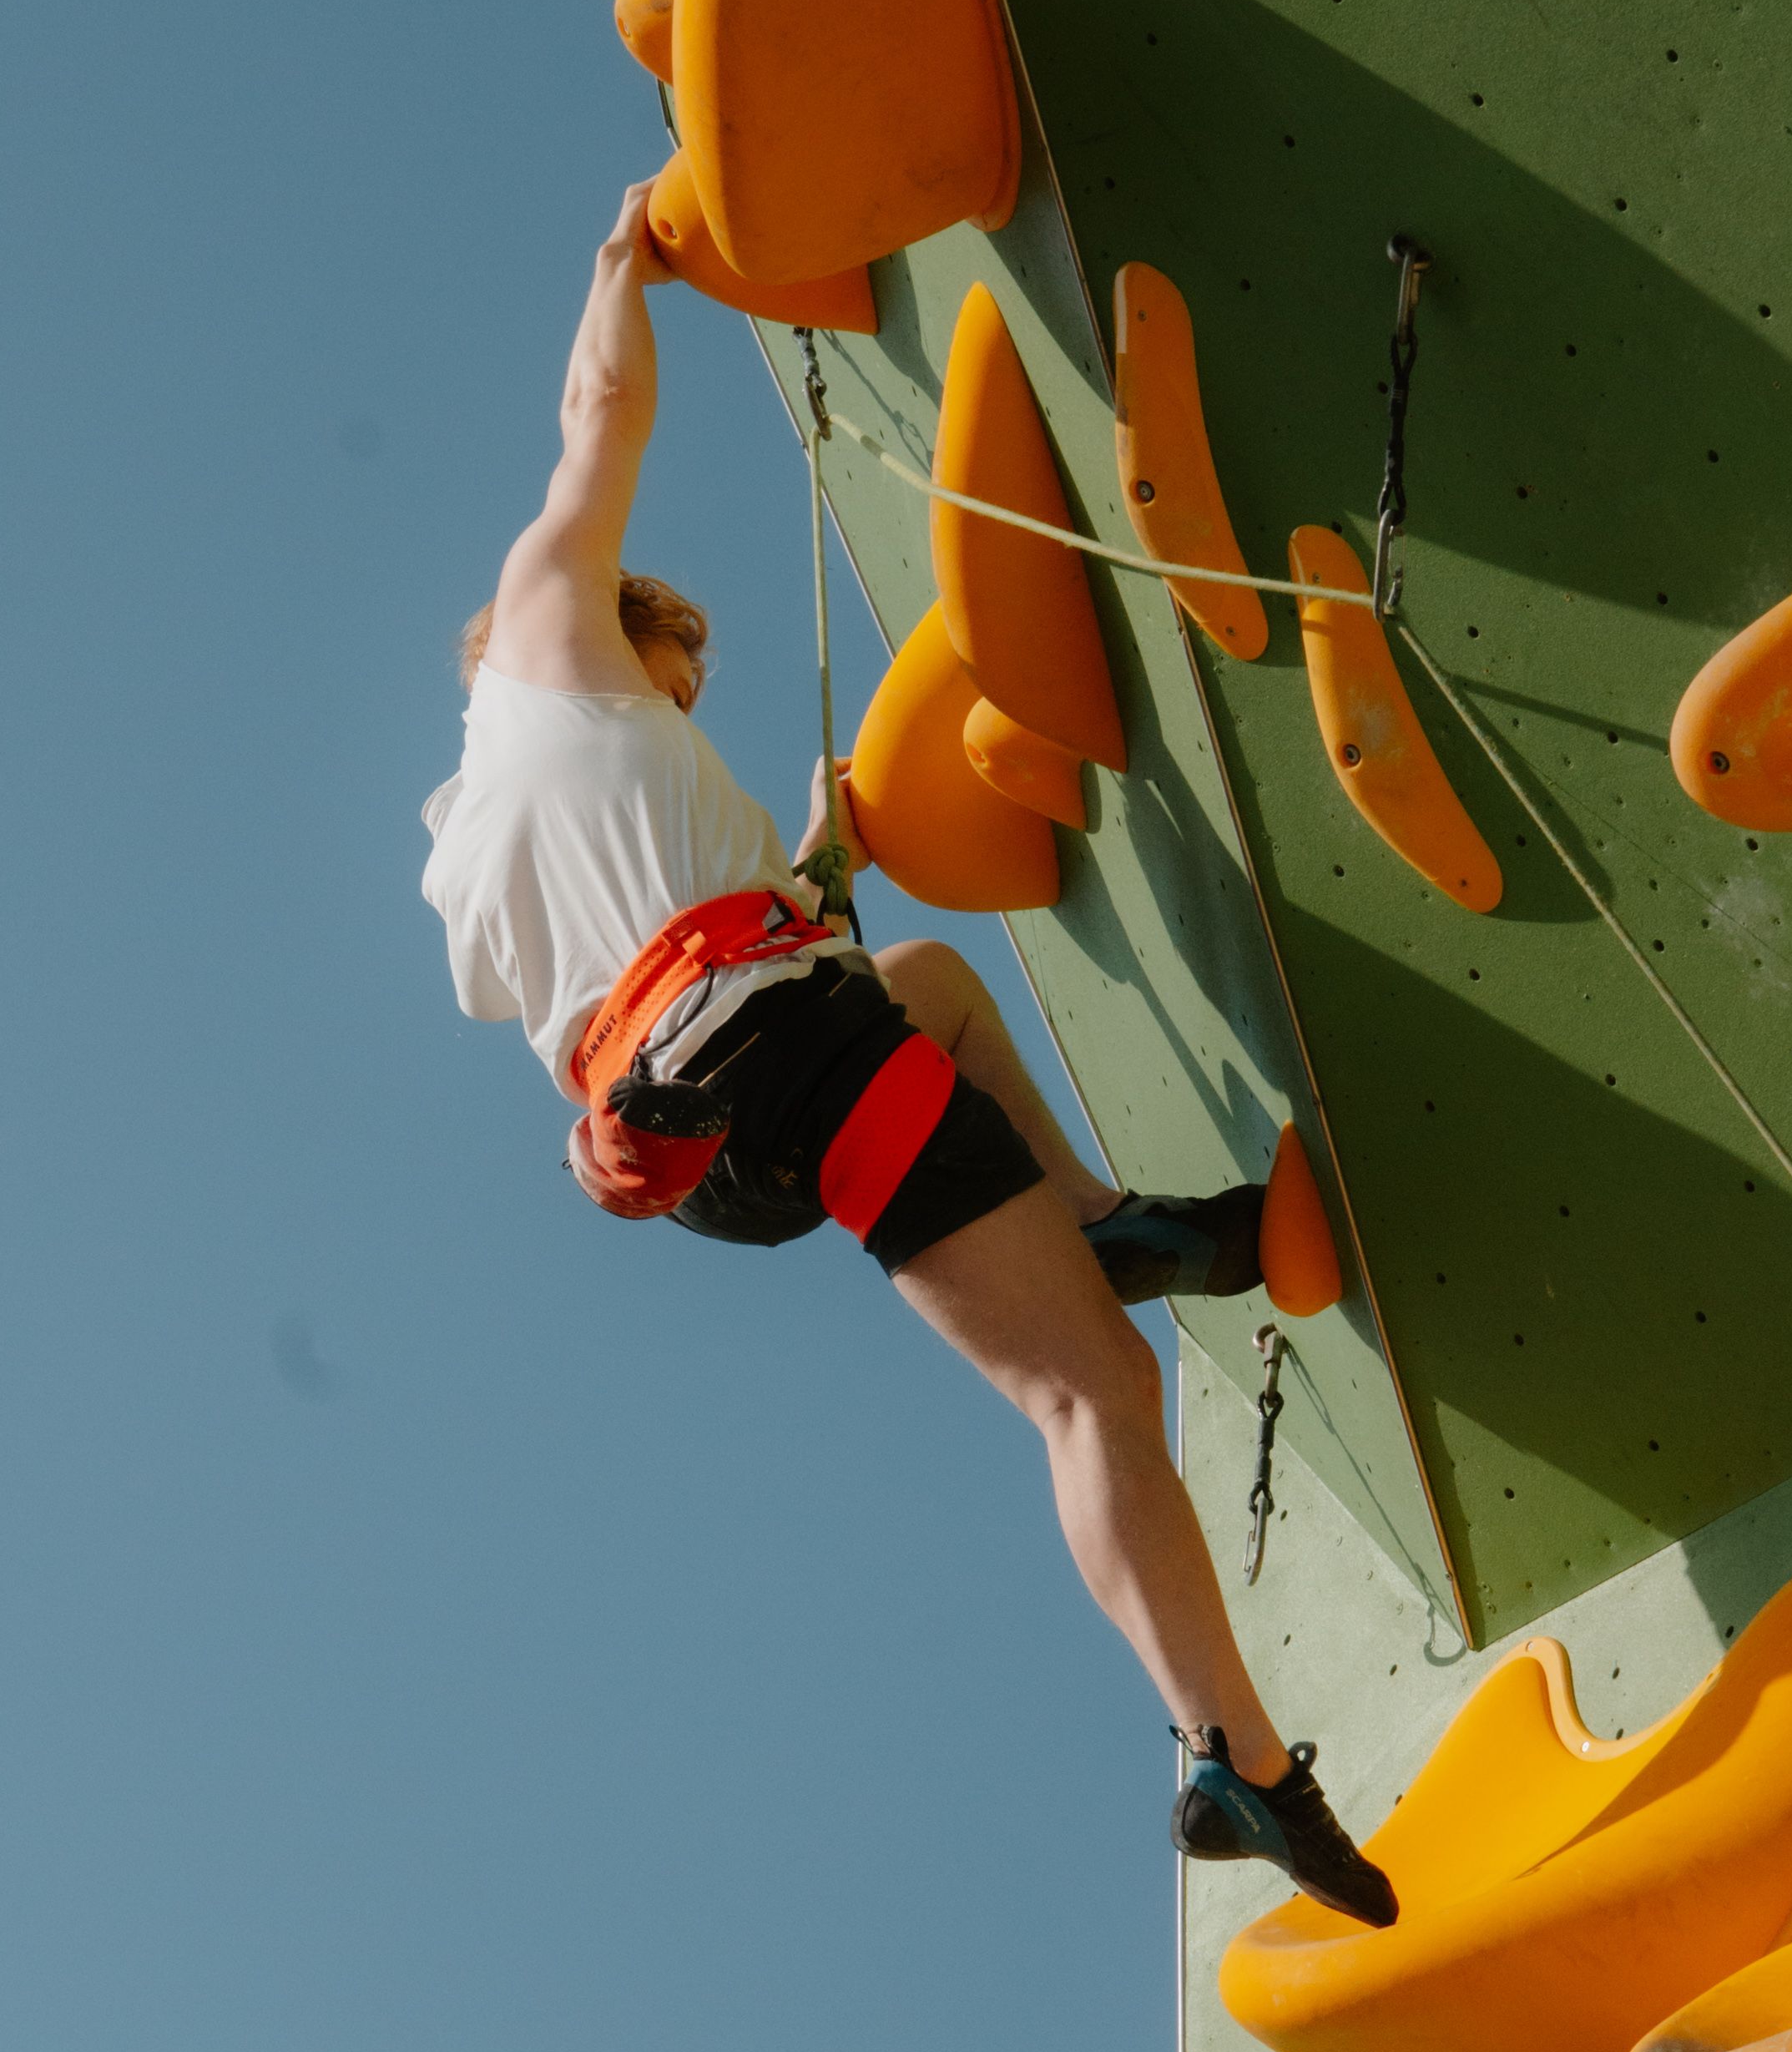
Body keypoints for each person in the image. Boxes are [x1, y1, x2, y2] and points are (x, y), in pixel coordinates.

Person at [417, 190, 1395, 1924]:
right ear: (603, 630)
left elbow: (649, 974)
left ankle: (1092, 1215)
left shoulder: (473, 882)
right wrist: (615, 273)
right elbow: (596, 421)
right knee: (1091, 1392)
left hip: (713, 1139)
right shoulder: (548, 630)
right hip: (778, 1047)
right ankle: (1232, 1757)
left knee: (930, 979)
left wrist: (811, 876)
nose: (680, 695)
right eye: (673, 668)